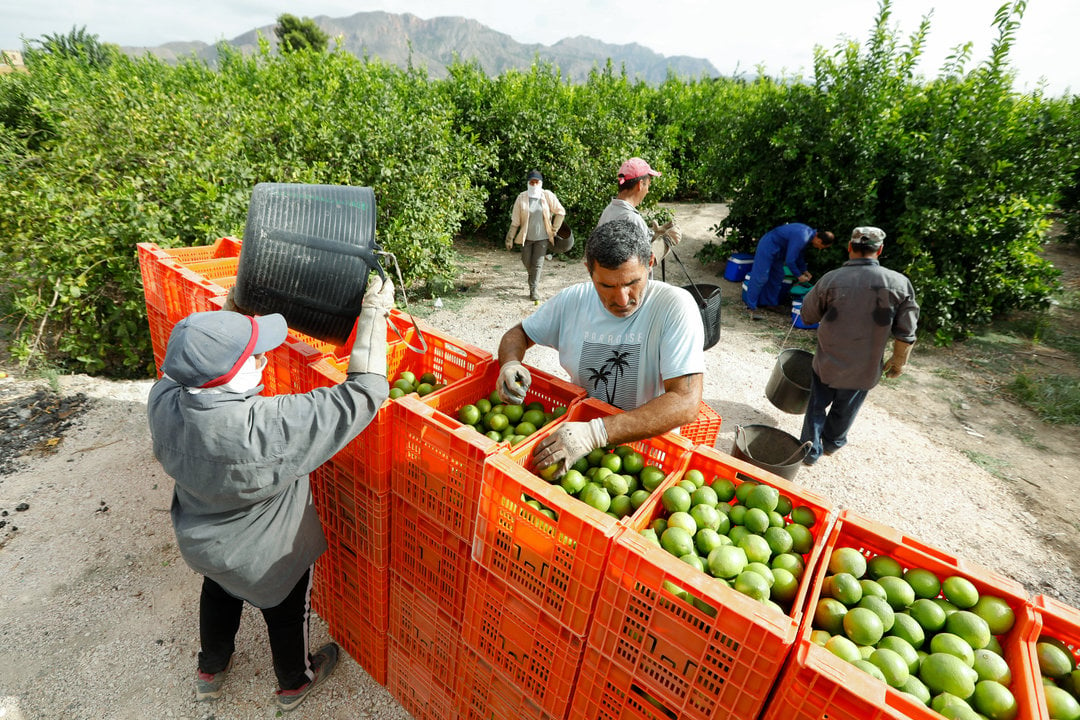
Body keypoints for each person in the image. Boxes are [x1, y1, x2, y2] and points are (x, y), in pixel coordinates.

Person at [146, 275, 395, 711]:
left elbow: (196, 368)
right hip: (269, 560)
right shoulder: (264, 428)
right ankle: (295, 681)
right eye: (254, 354)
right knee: (285, 614)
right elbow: (366, 391)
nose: (262, 357)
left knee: (219, 592)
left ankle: (212, 668)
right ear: (233, 373)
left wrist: (226, 327)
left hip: (206, 545)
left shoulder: (163, 401)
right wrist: (375, 314)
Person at [496, 216, 705, 476]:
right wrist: (511, 363)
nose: (622, 298)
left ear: (650, 263)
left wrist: (597, 432)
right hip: (575, 445)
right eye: (607, 285)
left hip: (647, 455)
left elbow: (686, 402)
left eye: (632, 283)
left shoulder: (674, 306)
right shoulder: (573, 301)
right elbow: (519, 333)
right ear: (589, 271)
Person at [798, 227, 919, 466]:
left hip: (827, 363)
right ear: (880, 250)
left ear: (850, 247)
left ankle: (810, 451)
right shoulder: (899, 283)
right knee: (847, 407)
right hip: (864, 368)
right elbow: (906, 331)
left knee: (816, 406)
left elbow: (807, 316)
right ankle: (832, 443)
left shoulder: (832, 279)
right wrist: (898, 361)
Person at [596, 156, 682, 264]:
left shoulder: (610, 209)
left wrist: (652, 234)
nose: (648, 191)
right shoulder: (632, 219)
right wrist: (667, 240)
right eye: (648, 185)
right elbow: (642, 263)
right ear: (640, 184)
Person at [743, 222, 834, 317]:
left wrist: (804, 270)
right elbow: (790, 260)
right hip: (768, 245)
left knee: (778, 276)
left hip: (779, 251)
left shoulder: (808, 235)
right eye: (822, 247)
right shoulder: (803, 236)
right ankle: (751, 306)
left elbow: (799, 254)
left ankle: (770, 303)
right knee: (761, 276)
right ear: (819, 241)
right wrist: (799, 276)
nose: (820, 249)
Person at [505, 169, 567, 301]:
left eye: (536, 182)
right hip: (526, 237)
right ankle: (532, 277)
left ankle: (533, 290)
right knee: (526, 261)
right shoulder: (521, 197)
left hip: (543, 238)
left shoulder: (547, 195)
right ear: (528, 183)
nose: (534, 184)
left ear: (540, 183)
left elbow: (560, 212)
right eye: (531, 182)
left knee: (538, 264)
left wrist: (555, 229)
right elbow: (515, 221)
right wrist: (510, 238)